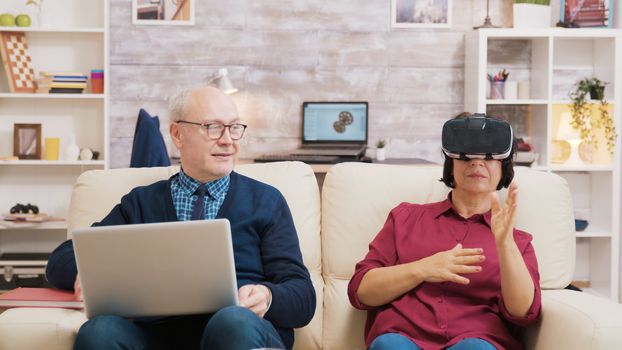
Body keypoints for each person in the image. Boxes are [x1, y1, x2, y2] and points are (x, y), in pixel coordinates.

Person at [46, 86, 316, 350]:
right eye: (212, 127)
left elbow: (303, 297)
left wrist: (267, 296)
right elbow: (61, 259)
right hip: (158, 333)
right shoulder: (141, 202)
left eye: (234, 127)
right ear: (178, 134)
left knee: (232, 321)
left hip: (238, 330)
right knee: (99, 331)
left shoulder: (266, 201)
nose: (228, 140)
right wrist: (88, 271)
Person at [348, 114, 541, 350]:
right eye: (466, 154)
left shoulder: (517, 241)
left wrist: (505, 245)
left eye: (488, 156)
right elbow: (361, 292)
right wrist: (423, 268)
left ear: (504, 168)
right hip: (401, 337)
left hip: (478, 341)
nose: (476, 162)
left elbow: (523, 313)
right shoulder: (405, 218)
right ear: (451, 163)